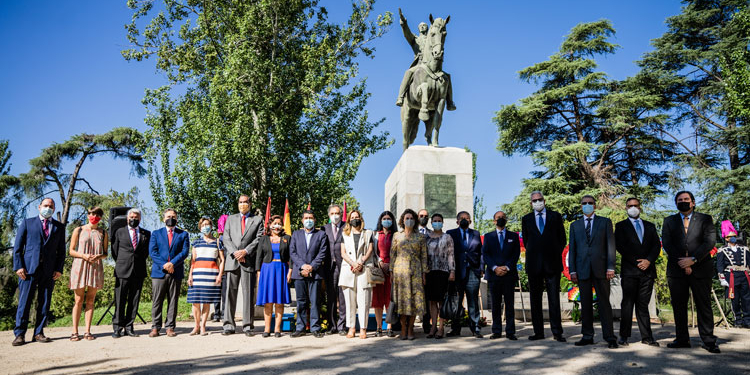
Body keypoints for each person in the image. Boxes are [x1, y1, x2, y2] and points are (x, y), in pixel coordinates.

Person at [662, 191, 719, 353]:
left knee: (704, 305)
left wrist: (693, 260)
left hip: (701, 268)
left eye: (686, 199)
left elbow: (709, 242)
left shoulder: (705, 219)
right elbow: (667, 243)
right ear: (676, 203)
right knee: (679, 305)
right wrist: (683, 262)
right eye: (680, 200)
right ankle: (682, 339)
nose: (683, 202)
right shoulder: (669, 221)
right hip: (676, 269)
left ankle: (708, 341)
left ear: (693, 202)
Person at [12, 198, 66, 346]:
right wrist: (19, 266)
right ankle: (20, 334)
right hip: (28, 270)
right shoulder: (27, 223)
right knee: (24, 302)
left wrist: (58, 269)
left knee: (44, 302)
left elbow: (62, 251)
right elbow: (17, 247)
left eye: (51, 206)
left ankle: (39, 332)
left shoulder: (59, 227)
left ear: (54, 209)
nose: (48, 208)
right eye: (45, 205)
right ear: (39, 207)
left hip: (49, 271)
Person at [568, 195, 617, 348]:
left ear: (595, 206)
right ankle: (587, 335)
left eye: (590, 203)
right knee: (586, 304)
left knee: (604, 304)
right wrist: (572, 270)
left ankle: (609, 337)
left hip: (601, 270)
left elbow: (611, 246)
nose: (587, 205)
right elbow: (573, 249)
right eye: (584, 203)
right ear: (581, 206)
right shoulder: (575, 226)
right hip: (582, 270)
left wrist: (611, 267)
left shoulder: (605, 222)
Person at [521, 191, 567, 342]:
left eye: (540, 199)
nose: (537, 202)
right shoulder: (526, 219)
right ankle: (538, 332)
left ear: (544, 201)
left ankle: (557, 332)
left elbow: (562, 239)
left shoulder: (555, 216)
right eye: (534, 200)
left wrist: (552, 253)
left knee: (554, 299)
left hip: (552, 265)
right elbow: (527, 241)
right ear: (531, 203)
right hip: (534, 266)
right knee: (535, 300)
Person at [614, 198, 661, 347]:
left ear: (640, 208)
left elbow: (656, 246)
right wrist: (638, 262)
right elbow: (620, 246)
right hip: (630, 271)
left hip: (648, 271)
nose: (633, 208)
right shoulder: (621, 226)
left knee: (643, 305)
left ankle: (647, 336)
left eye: (635, 205)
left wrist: (648, 261)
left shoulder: (650, 226)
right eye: (630, 206)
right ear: (626, 208)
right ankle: (624, 336)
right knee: (627, 304)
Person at [395, 9, 456, 111]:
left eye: (425, 25)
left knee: (447, 77)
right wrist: (403, 23)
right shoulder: (415, 39)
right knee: (408, 72)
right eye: (420, 26)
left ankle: (449, 102)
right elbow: (407, 34)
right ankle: (400, 97)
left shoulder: (432, 37)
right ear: (418, 29)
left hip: (432, 64)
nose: (423, 26)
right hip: (419, 64)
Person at [222, 195, 264, 336]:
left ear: (250, 204)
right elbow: (226, 238)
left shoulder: (257, 220)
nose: (242, 204)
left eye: (245, 202)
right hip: (232, 260)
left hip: (248, 260)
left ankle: (247, 325)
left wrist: (245, 252)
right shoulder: (230, 219)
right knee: (229, 293)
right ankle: (228, 325)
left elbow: (259, 238)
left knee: (248, 294)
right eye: (240, 202)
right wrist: (235, 253)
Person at [148, 208, 190, 338]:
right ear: (163, 218)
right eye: (168, 216)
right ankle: (155, 327)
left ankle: (170, 327)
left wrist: (172, 263)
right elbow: (153, 252)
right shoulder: (156, 233)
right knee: (157, 300)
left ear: (177, 219)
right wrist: (165, 265)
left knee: (173, 300)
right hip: (159, 272)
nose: (170, 218)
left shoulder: (183, 234)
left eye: (173, 216)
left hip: (175, 271)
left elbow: (184, 252)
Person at [68, 207, 108, 341]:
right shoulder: (78, 230)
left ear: (100, 217)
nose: (94, 216)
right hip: (80, 266)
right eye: (92, 214)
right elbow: (71, 251)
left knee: (90, 300)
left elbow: (105, 253)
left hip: (95, 267)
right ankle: (75, 331)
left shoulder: (103, 232)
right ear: (88, 215)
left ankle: (87, 331)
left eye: (97, 215)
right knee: (78, 300)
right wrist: (83, 255)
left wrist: (98, 257)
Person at [112, 207, 150, 338]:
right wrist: (123, 262)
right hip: (122, 270)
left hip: (138, 270)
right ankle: (117, 327)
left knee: (134, 300)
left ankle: (129, 326)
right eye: (131, 217)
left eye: (136, 218)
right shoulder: (119, 232)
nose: (134, 219)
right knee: (120, 299)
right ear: (127, 218)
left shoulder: (146, 233)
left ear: (140, 219)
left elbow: (145, 253)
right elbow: (115, 251)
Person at [289, 210, 329, 338]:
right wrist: (303, 266)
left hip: (315, 273)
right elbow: (292, 252)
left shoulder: (321, 235)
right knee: (301, 301)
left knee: (315, 301)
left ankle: (315, 328)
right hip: (299, 273)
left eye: (311, 217)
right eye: (306, 218)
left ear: (315, 220)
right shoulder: (295, 234)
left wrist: (311, 267)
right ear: (302, 220)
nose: (308, 220)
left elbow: (322, 253)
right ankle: (300, 327)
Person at [391, 209, 429, 340]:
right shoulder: (397, 235)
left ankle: (411, 328)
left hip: (416, 272)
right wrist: (391, 272)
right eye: (407, 218)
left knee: (414, 302)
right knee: (402, 301)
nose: (409, 220)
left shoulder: (420, 237)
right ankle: (403, 328)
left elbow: (424, 256)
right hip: (400, 272)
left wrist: (424, 273)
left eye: (412, 218)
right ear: (402, 220)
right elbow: (392, 254)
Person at [482, 211, 520, 340]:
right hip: (494, 275)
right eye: (498, 218)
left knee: (509, 304)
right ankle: (496, 330)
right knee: (495, 304)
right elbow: (486, 254)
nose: (501, 219)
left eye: (503, 218)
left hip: (509, 275)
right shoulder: (488, 236)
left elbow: (515, 254)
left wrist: (507, 267)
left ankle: (510, 332)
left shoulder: (513, 236)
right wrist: (495, 268)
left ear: (506, 220)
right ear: (494, 221)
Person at [339, 210, 376, 339]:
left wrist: (360, 262)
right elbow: (343, 253)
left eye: (357, 217)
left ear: (361, 218)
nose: (355, 219)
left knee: (364, 301)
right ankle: (351, 327)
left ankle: (363, 328)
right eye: (352, 217)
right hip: (349, 269)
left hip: (364, 268)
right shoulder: (344, 234)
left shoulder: (368, 233)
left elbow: (370, 249)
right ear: (349, 220)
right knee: (349, 301)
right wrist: (353, 264)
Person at [446, 211, 483, 338]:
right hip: (456, 272)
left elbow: (481, 252)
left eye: (467, 218)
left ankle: (476, 328)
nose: (464, 220)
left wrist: (481, 268)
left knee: (473, 301)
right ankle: (455, 328)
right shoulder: (450, 234)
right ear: (457, 221)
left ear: (470, 221)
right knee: (456, 301)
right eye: (462, 218)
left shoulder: (476, 234)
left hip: (472, 271)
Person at [187, 217, 225, 335]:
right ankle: (196, 326)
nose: (205, 227)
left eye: (207, 224)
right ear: (200, 227)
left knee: (207, 302)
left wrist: (220, 274)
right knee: (195, 302)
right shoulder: (196, 242)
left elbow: (222, 260)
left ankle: (203, 326)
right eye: (203, 225)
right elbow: (192, 261)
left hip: (211, 276)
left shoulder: (217, 242)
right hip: (197, 275)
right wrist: (190, 275)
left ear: (211, 226)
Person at [255, 215, 292, 337]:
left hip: (281, 270)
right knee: (268, 302)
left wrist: (290, 271)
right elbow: (258, 257)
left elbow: (291, 257)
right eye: (275, 223)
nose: (277, 226)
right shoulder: (263, 239)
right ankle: (266, 329)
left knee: (279, 302)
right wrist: (259, 273)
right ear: (270, 225)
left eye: (279, 223)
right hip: (267, 271)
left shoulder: (287, 238)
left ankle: (277, 329)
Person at [424, 214, 454, 339]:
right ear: (431, 223)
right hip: (430, 272)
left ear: (443, 222)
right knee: (432, 301)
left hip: (443, 272)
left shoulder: (447, 237)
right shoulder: (426, 238)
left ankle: (441, 328)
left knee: (441, 301)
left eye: (439, 221)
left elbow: (451, 255)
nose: (437, 223)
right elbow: (423, 256)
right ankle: (433, 327)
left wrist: (452, 271)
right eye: (435, 221)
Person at [717, 221, 750, 328]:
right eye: (730, 237)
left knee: (746, 299)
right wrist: (722, 278)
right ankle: (738, 320)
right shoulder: (722, 250)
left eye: (734, 236)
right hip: (731, 276)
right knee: (734, 299)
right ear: (726, 238)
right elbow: (720, 265)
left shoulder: (744, 249)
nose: (733, 238)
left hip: (744, 275)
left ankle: (747, 320)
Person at [372, 211, 398, 337]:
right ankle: (378, 327)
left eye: (389, 218)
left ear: (392, 221)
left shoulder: (396, 235)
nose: (386, 221)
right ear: (380, 220)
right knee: (377, 300)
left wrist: (391, 265)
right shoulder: (376, 235)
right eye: (384, 218)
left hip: (392, 271)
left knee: (389, 299)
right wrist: (380, 262)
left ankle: (389, 327)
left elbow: (398, 253)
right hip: (379, 270)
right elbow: (373, 252)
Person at [323, 204, 346, 335]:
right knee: (330, 297)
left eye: (337, 213)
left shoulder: (346, 227)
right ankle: (331, 326)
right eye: (332, 213)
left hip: (343, 265)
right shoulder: (324, 228)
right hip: (328, 267)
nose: (334, 216)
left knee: (343, 297)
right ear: (329, 215)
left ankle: (342, 326)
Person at [416, 208, 432, 333]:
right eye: (421, 215)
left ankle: (427, 324)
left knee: (427, 298)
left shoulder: (431, 234)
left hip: (428, 270)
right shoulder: (411, 233)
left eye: (426, 216)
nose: (423, 218)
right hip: (414, 270)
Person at [212, 214, 229, 322]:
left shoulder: (220, 240)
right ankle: (220, 314)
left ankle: (219, 314)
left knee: (219, 294)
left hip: (223, 270)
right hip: (221, 269)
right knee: (222, 294)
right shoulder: (219, 241)